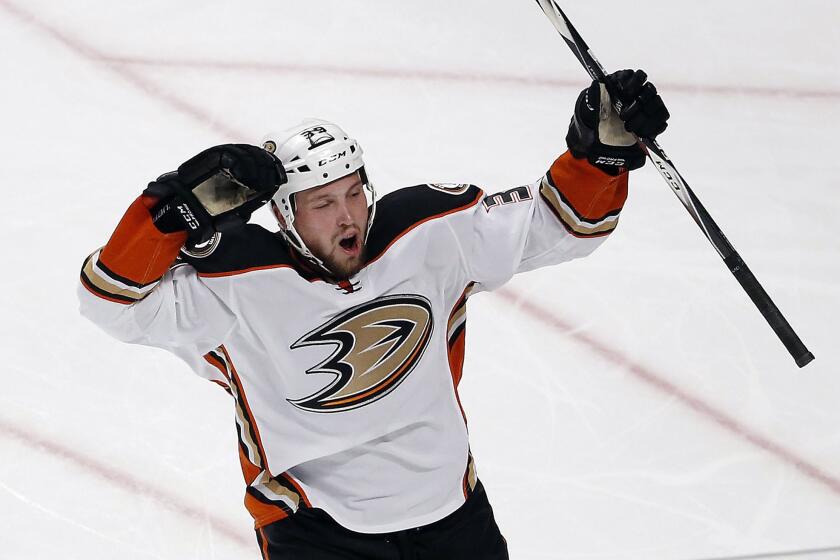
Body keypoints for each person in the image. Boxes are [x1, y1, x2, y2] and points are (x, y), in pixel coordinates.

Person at [78, 69, 669, 559]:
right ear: (284, 215)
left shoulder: (428, 235)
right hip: (314, 530)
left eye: (354, 192)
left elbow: (561, 225)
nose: (348, 216)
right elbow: (110, 304)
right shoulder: (234, 283)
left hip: (450, 515)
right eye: (323, 203)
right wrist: (168, 211)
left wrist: (602, 155)